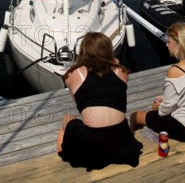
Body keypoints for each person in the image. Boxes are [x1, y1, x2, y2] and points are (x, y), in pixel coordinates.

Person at [56, 32, 143, 171]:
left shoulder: (73, 74)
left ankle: (61, 151)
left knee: (67, 119)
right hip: (119, 135)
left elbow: (80, 104)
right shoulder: (122, 72)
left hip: (93, 138)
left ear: (84, 51)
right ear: (109, 50)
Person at [130, 23, 185, 143]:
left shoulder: (176, 70)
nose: (166, 45)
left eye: (169, 42)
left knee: (135, 116)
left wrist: (158, 107)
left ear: (178, 44)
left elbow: (165, 110)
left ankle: (134, 143)